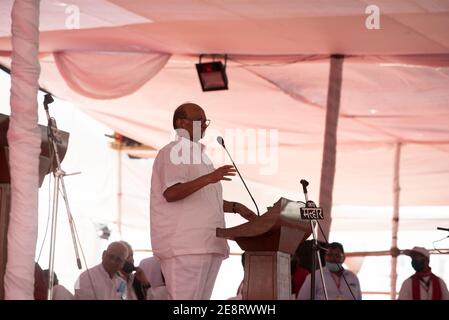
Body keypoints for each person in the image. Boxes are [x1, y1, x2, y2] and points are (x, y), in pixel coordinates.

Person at [150, 102, 257, 300]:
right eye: (199, 120)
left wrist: (235, 207)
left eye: (205, 121)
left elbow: (203, 199)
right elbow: (171, 193)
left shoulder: (201, 157)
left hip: (207, 244)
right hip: (186, 246)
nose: (204, 125)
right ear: (181, 123)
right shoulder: (174, 151)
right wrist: (210, 178)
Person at [297, 242, 362, 300]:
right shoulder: (315, 276)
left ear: (343, 258)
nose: (333, 258)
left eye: (337, 255)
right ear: (325, 257)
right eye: (330, 255)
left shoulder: (353, 277)